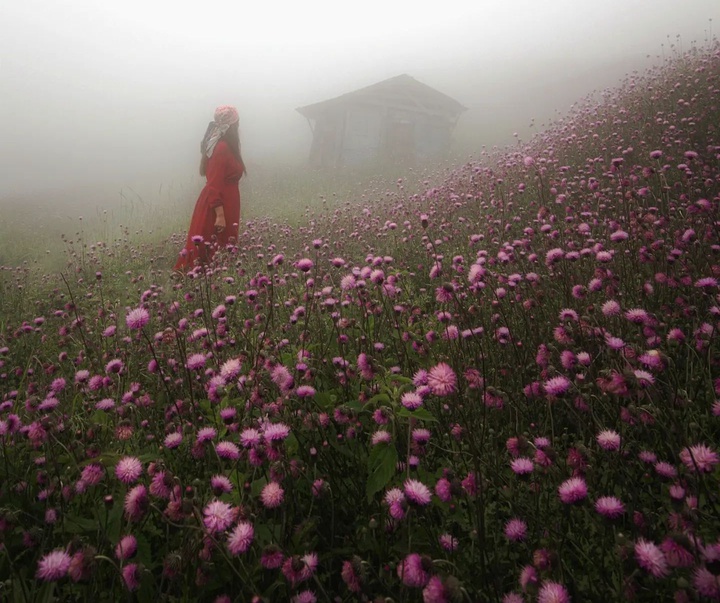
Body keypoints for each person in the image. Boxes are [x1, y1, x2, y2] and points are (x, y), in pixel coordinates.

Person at [174, 105, 246, 271]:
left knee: (224, 246)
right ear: (231, 125)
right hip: (218, 204)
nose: (239, 126)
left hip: (228, 201)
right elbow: (213, 183)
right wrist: (219, 215)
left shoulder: (229, 147)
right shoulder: (221, 148)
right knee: (211, 248)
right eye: (237, 122)